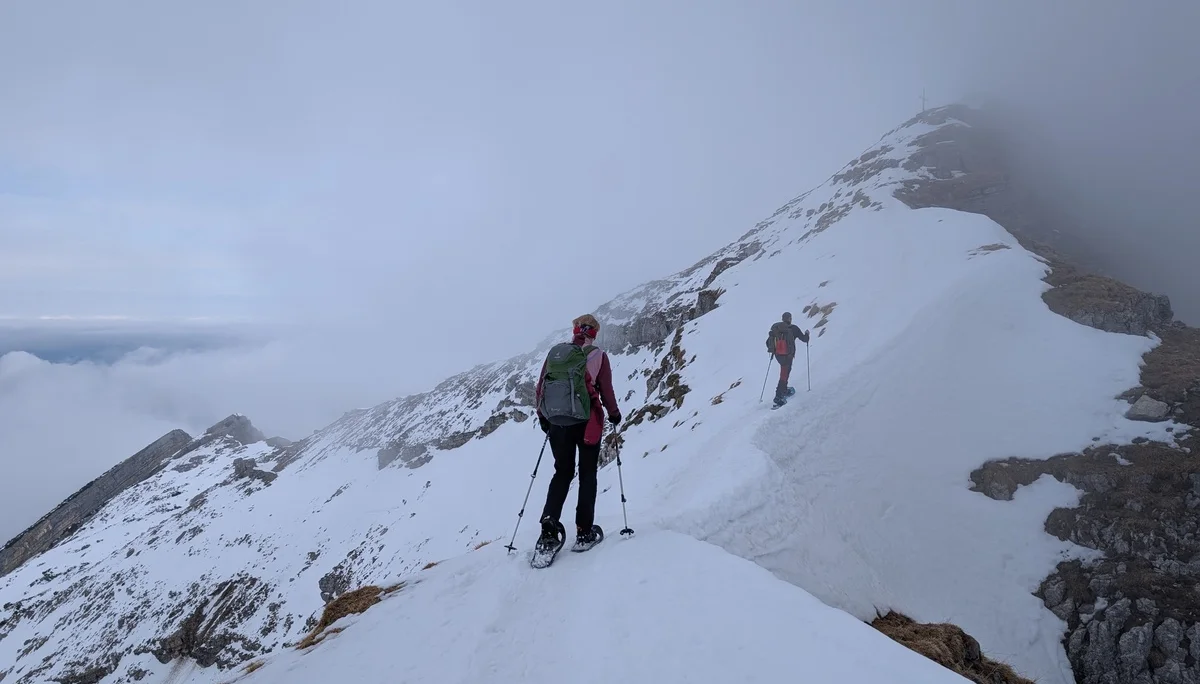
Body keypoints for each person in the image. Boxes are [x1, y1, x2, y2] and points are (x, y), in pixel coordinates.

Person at [534, 314, 622, 552]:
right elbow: (606, 390)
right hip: (587, 423)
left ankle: (549, 529)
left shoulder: (557, 354)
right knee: (587, 475)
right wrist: (614, 414)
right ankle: (584, 532)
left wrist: (544, 418)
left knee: (562, 473)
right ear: (594, 333)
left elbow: (541, 386)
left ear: (574, 330)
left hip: (557, 422)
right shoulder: (599, 356)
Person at [765, 312, 810, 407]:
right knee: (784, 375)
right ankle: (778, 397)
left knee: (785, 372)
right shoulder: (794, 329)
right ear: (790, 319)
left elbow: (767, 342)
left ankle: (784, 390)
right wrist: (807, 334)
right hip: (788, 356)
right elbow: (804, 339)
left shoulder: (776, 329)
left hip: (778, 355)